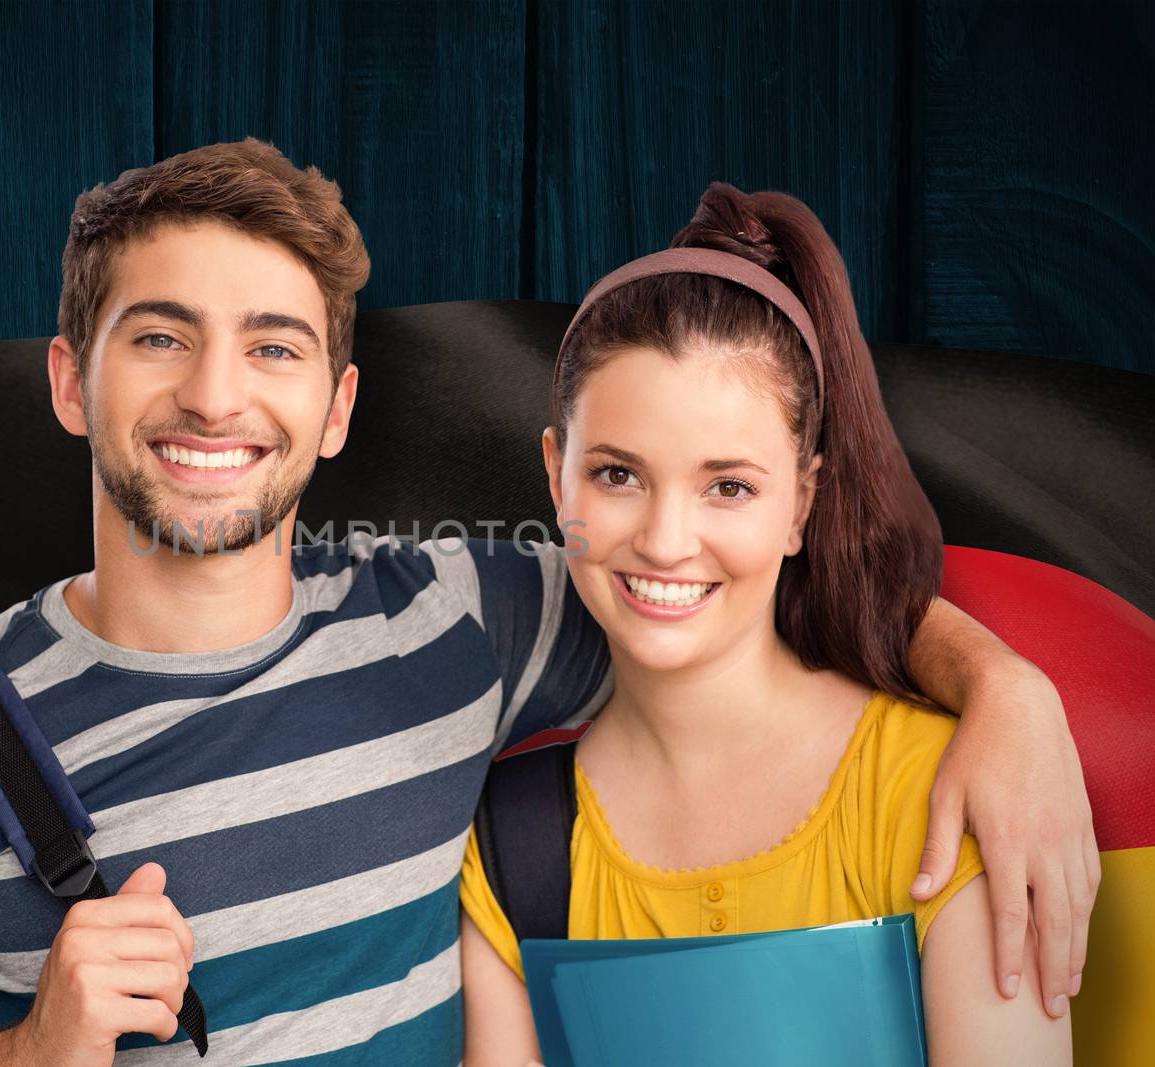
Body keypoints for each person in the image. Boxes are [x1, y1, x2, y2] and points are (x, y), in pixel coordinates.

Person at [0, 142, 1093, 1067]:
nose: (213, 392)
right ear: (73, 381)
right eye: (160, 337)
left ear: (335, 410)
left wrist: (1005, 691)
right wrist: (25, 1050)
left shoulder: (455, 620)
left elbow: (707, 583)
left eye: (273, 344)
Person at [458, 184, 1075, 1065]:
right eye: (618, 475)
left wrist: (1003, 681)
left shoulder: (944, 793)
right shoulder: (509, 850)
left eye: (730, 486)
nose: (667, 542)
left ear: (803, 503)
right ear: (557, 476)